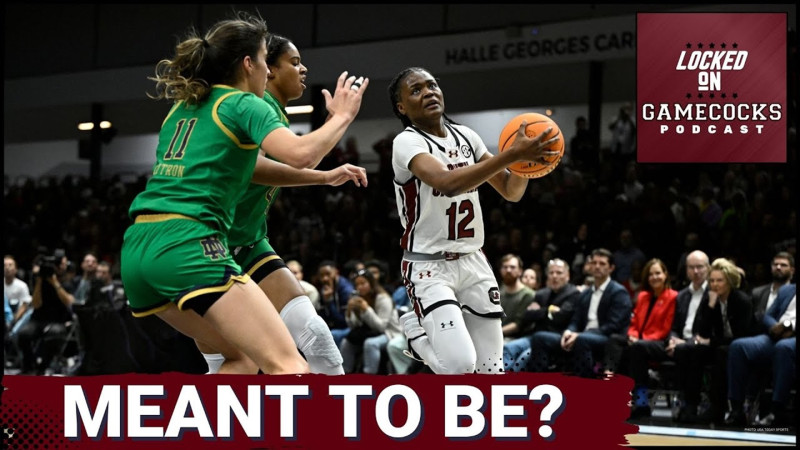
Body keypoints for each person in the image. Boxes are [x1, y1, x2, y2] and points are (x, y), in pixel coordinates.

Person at [120, 13, 366, 375]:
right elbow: (301, 154)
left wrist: (323, 178)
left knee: (243, 360)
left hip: (138, 249)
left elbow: (249, 168)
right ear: (248, 63)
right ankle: (320, 432)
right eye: (266, 61)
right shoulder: (243, 104)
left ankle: (195, 431)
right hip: (192, 243)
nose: (267, 72)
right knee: (288, 365)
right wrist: (342, 118)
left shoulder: (183, 107)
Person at [200, 34, 369, 375]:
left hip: (249, 242)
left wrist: (329, 134)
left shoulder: (273, 112)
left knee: (318, 339)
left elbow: (303, 156)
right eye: (294, 62)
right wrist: (338, 125)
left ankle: (332, 425)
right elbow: (264, 167)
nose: (303, 69)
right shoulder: (251, 104)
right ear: (268, 69)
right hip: (209, 246)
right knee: (235, 364)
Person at [387, 67, 560, 374]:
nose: (428, 92)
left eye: (432, 85)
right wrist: (510, 155)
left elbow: (510, 190)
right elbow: (447, 183)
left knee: (491, 370)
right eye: (416, 90)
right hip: (429, 265)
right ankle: (415, 333)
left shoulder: (466, 136)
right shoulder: (407, 142)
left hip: (473, 261)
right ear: (402, 107)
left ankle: (482, 422)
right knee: (459, 365)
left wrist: (525, 165)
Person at [527, 248, 631, 378]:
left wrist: (579, 334)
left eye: (602, 263)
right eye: (594, 263)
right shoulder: (585, 293)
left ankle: (582, 386)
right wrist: (569, 331)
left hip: (607, 338)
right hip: (581, 335)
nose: (597, 266)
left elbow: (613, 326)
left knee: (582, 340)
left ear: (611, 268)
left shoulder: (618, 292)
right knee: (539, 337)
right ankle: (539, 381)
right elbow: (575, 320)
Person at [673, 258, 753, 424]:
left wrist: (710, 341)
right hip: (719, 344)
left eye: (720, 280)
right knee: (690, 350)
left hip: (741, 346)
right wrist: (710, 304)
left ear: (730, 281)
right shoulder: (711, 298)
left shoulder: (741, 300)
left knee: (720, 352)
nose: (715, 285)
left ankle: (718, 408)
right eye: (712, 281)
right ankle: (690, 404)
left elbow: (741, 336)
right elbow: (702, 331)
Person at [603, 258, 678, 418]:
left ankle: (642, 402)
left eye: (658, 273)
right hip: (639, 341)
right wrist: (633, 336)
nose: (654, 277)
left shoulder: (673, 297)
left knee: (636, 349)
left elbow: (667, 328)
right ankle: (608, 378)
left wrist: (642, 339)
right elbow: (635, 321)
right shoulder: (643, 296)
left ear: (665, 275)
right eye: (650, 274)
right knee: (615, 340)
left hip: (659, 343)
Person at [725, 283, 795, 427]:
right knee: (739, 347)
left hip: (791, 338)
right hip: (777, 334)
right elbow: (768, 315)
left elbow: (788, 324)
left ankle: (776, 412)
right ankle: (737, 410)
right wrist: (775, 327)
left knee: (784, 348)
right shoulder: (788, 290)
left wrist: (789, 325)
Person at [504, 258, 580, 372]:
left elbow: (561, 317)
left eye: (559, 273)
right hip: (533, 336)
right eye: (551, 272)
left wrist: (539, 312)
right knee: (508, 348)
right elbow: (527, 315)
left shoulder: (573, 293)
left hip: (555, 338)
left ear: (567, 275)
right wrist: (549, 310)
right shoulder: (541, 293)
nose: (554, 276)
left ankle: (512, 383)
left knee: (524, 357)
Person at [16, 250, 75, 374]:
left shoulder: (66, 280)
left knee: (54, 334)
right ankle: (29, 365)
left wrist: (54, 282)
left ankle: (42, 367)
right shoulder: (40, 280)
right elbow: (36, 304)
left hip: (58, 320)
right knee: (23, 334)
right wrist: (39, 281)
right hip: (38, 318)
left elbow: (68, 301)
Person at [339, 268, 401, 374]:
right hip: (368, 331)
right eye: (357, 285)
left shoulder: (383, 298)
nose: (360, 287)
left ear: (371, 283)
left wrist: (366, 309)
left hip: (389, 333)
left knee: (370, 344)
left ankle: (369, 376)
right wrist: (350, 312)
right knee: (346, 342)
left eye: (363, 283)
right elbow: (353, 326)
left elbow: (381, 327)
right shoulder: (358, 298)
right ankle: (343, 373)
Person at [750, 252, 794, 332]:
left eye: (783, 265)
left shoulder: (794, 294)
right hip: (760, 337)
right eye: (775, 264)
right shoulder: (757, 293)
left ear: (792, 270)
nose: (778, 267)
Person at [316, 260, 356, 348]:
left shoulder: (346, 290)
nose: (325, 279)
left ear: (336, 273)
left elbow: (343, 321)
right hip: (334, 325)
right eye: (322, 276)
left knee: (333, 335)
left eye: (328, 274)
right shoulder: (325, 288)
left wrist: (329, 301)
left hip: (350, 327)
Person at [498, 254, 536, 340]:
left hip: (515, 339)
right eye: (505, 267)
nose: (508, 270)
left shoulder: (528, 294)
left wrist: (494, 333)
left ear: (520, 271)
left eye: (512, 267)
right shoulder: (499, 291)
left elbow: (517, 325)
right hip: (498, 336)